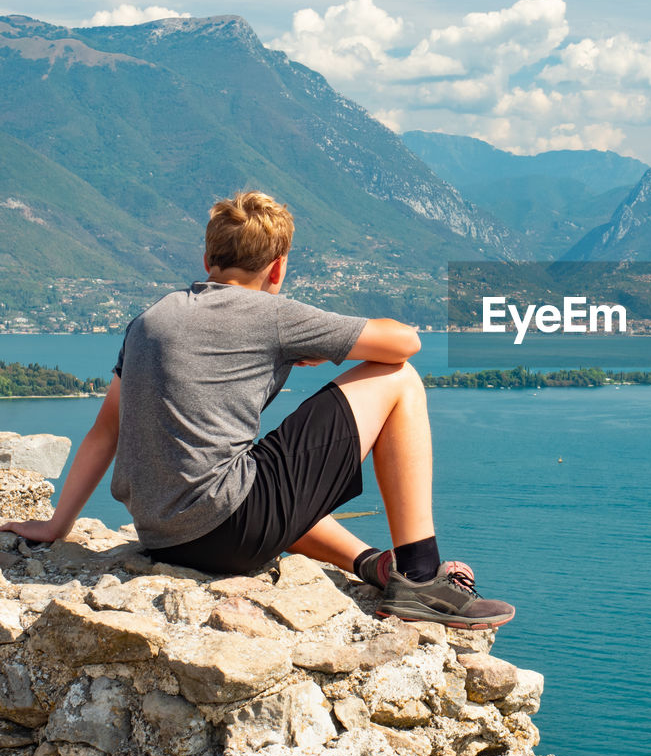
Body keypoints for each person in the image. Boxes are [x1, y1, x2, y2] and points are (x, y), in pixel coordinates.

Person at [0, 190, 514, 630]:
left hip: (162, 536)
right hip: (231, 534)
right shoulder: (272, 315)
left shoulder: (147, 321)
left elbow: (103, 431)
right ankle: (422, 577)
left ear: (208, 260)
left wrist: (56, 525)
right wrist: (316, 341)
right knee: (397, 379)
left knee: (257, 471)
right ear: (277, 267)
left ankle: (372, 565)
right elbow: (406, 342)